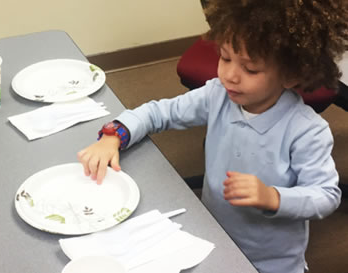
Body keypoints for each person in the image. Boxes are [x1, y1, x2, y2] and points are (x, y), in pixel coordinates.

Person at [77, 1, 348, 272]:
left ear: (291, 75)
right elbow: (158, 113)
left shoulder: (307, 131)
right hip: (214, 236)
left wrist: (273, 197)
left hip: (271, 263)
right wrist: (114, 135)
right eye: (225, 57)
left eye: (250, 69)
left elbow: (325, 195)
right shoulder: (217, 95)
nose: (229, 75)